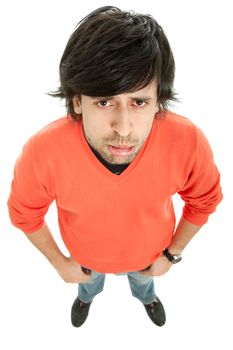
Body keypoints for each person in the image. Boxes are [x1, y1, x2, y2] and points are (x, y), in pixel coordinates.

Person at [7, 6, 223, 328]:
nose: (124, 128)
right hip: (85, 259)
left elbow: (205, 201)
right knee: (88, 285)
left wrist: (171, 255)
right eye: (104, 102)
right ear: (77, 101)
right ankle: (86, 297)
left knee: (143, 285)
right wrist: (60, 264)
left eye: (139, 102)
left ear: (158, 101)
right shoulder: (42, 152)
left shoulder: (187, 141)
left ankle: (147, 297)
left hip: (149, 258)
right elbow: (24, 214)